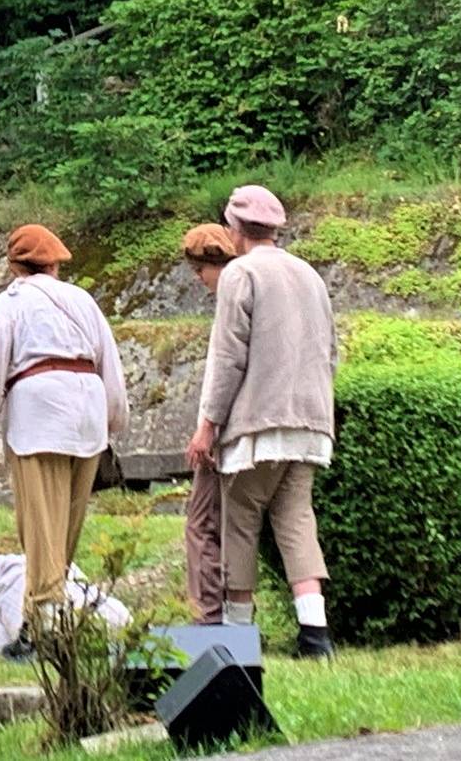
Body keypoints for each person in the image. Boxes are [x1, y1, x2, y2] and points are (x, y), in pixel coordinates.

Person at [0, 224, 130, 659]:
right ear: (56, 264)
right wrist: (111, 421)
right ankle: (44, 616)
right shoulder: (83, 301)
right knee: (65, 527)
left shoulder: (10, 304)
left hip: (41, 414)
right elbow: (110, 367)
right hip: (88, 412)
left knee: (41, 523)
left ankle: (45, 628)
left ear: (14, 267)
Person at [185, 186, 337, 658]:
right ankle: (315, 633)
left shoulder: (241, 273)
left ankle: (238, 633)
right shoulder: (309, 274)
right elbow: (330, 351)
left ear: (235, 229)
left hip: (258, 424)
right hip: (310, 422)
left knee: (240, 522)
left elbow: (228, 356)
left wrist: (208, 426)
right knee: (296, 522)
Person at [179, 223, 239, 625]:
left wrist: (207, 429)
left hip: (223, 431)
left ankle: (208, 615)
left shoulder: (232, 301)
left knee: (201, 523)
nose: (199, 278)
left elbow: (226, 370)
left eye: (201, 269)